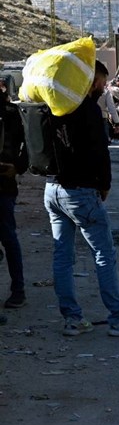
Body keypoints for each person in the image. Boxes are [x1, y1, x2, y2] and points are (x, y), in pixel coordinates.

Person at [44, 60, 119, 337]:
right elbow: (100, 152)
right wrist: (104, 185)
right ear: (91, 80)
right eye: (102, 81)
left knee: (62, 256)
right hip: (80, 193)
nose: (104, 86)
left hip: (53, 190)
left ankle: (72, 319)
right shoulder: (88, 108)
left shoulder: (56, 105)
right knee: (104, 253)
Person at [0, 89, 29, 309]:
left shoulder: (11, 112)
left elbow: (31, 142)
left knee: (8, 237)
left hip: (3, 184)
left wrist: (17, 168)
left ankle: (18, 290)